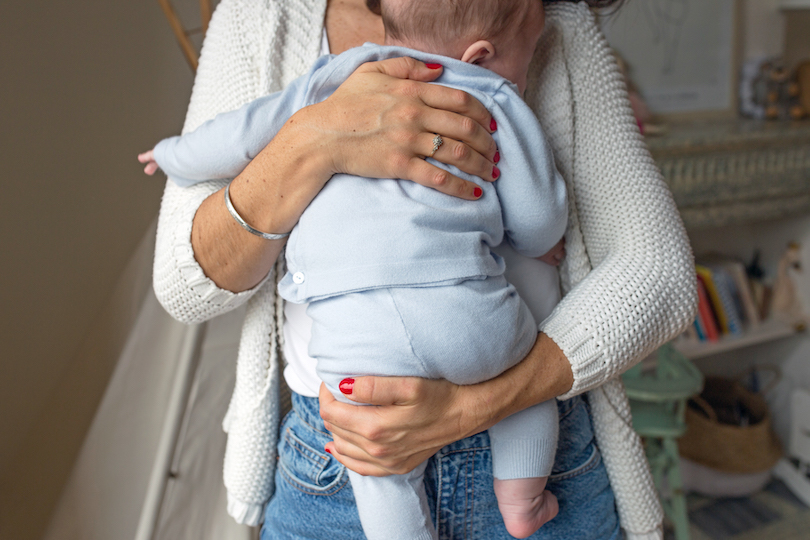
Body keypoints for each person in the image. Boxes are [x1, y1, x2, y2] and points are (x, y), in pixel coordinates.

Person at [150, 0, 697, 538]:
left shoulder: (333, 73)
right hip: (464, 361)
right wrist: (313, 143)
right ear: (482, 54)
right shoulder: (489, 92)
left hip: (357, 394)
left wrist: (172, 154)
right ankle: (523, 499)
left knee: (383, 479)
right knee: (519, 356)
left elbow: (662, 274)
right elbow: (183, 289)